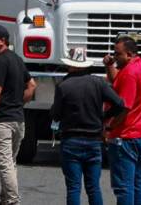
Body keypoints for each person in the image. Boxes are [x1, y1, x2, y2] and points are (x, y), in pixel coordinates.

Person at [51, 46, 125, 205]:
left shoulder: (64, 86)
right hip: (93, 139)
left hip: (71, 139)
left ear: (70, 65)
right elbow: (119, 104)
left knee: (73, 188)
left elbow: (55, 115)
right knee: (93, 187)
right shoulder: (98, 83)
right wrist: (104, 117)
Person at [0, 25, 36, 205]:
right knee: (10, 163)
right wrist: (19, 103)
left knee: (4, 164)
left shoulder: (0, 62)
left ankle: (12, 201)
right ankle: (5, 200)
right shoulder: (17, 60)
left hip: (3, 121)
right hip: (18, 119)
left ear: (2, 40)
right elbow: (32, 85)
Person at [103, 36, 141, 205]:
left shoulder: (130, 73)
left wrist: (108, 128)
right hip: (140, 135)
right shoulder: (139, 66)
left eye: (118, 54)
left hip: (126, 137)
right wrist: (109, 66)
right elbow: (117, 80)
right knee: (136, 183)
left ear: (129, 54)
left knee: (123, 187)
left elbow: (124, 107)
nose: (114, 57)